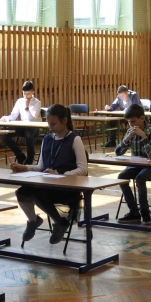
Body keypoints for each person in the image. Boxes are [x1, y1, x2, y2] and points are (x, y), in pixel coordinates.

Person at [11, 104, 88, 244]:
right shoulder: (47, 139)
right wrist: (24, 167)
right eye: (48, 123)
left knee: (37, 193)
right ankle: (33, 221)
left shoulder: (74, 139)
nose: (50, 127)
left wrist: (59, 174)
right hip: (48, 185)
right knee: (22, 192)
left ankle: (60, 222)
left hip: (67, 188)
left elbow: (83, 170)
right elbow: (41, 167)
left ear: (64, 121)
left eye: (53, 124)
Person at [115, 104, 151, 223]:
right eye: (128, 122)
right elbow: (118, 152)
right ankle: (134, 212)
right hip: (136, 165)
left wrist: (143, 136)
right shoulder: (130, 131)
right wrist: (127, 139)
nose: (131, 125)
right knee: (122, 177)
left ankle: (145, 213)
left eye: (133, 121)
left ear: (142, 118)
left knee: (140, 178)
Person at [0, 81, 42, 165]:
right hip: (23, 126)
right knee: (3, 133)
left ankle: (30, 156)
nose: (26, 96)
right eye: (24, 93)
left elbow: (33, 118)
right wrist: (6, 118)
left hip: (34, 127)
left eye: (28, 94)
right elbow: (13, 115)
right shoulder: (20, 101)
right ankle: (19, 154)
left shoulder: (37, 102)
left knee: (28, 133)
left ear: (33, 92)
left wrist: (27, 107)